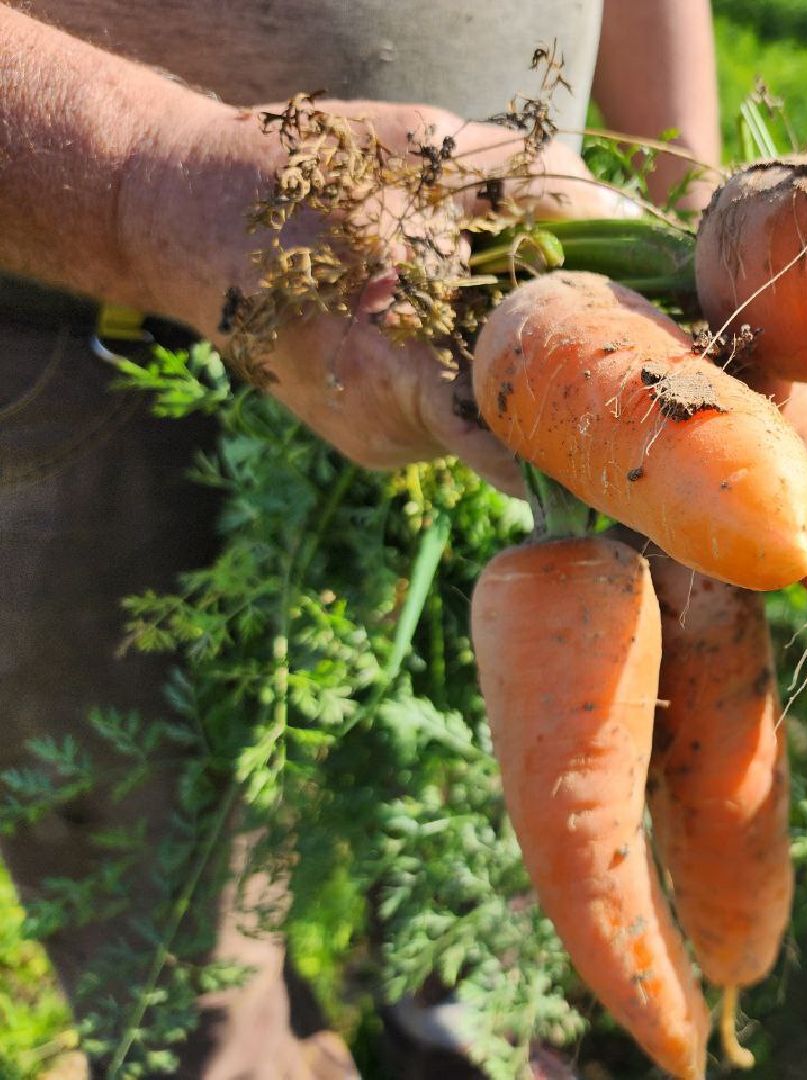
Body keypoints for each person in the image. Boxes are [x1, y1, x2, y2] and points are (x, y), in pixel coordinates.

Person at [0, 3, 720, 1075]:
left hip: (527, 326)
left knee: (519, 787)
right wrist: (152, 185)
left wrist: (689, 190)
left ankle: (466, 1023)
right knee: (178, 925)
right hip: (86, 334)